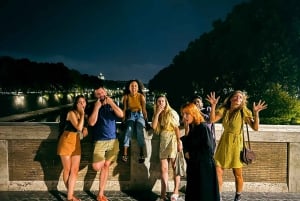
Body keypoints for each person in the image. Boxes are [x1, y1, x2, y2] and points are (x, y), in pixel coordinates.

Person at [206, 90, 267, 201]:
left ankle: (238, 196)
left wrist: (256, 113)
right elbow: (211, 120)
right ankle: (218, 196)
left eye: (240, 97)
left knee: (237, 174)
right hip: (224, 143)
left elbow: (256, 128)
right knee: (218, 170)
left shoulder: (244, 111)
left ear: (243, 100)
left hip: (236, 145)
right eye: (236, 96)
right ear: (230, 99)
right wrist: (213, 105)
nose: (238, 98)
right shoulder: (224, 109)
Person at [86, 85, 124, 201]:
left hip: (113, 140)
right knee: (97, 166)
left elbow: (121, 115)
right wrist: (97, 108)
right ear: (95, 96)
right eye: (98, 94)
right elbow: (91, 123)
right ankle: (100, 194)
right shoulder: (93, 106)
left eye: (102, 93)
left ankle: (100, 194)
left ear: (105, 92)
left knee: (106, 166)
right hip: (99, 141)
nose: (101, 95)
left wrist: (112, 103)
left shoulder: (111, 104)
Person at [181, 102, 220, 201]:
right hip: (196, 168)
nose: (184, 117)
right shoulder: (193, 127)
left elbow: (209, 150)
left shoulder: (203, 128)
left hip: (204, 169)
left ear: (194, 113)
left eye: (187, 114)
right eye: (183, 114)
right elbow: (188, 143)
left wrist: (190, 154)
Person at [57, 95, 88, 201]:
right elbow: (78, 127)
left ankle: (70, 196)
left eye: (84, 102)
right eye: (80, 102)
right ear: (76, 104)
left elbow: (83, 128)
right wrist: (83, 114)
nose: (82, 104)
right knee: (67, 169)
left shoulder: (83, 115)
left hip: (76, 142)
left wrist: (85, 129)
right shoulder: (71, 113)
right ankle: (70, 197)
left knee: (74, 170)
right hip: (66, 140)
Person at [151, 94, 182, 201]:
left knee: (174, 167)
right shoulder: (157, 114)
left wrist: (179, 142)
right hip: (163, 141)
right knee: (163, 168)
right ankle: (163, 194)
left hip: (172, 139)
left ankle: (176, 191)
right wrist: (158, 113)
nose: (160, 103)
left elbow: (177, 128)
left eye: (162, 101)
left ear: (166, 102)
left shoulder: (171, 113)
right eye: (158, 101)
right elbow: (154, 127)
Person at [121, 79, 148, 163]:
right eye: (132, 86)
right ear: (129, 87)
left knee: (139, 128)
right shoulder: (126, 97)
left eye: (135, 86)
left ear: (138, 87)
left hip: (139, 115)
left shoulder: (141, 96)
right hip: (131, 115)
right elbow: (124, 110)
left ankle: (141, 152)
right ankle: (125, 153)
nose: (134, 87)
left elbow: (144, 110)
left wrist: (146, 121)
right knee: (129, 129)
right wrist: (123, 120)